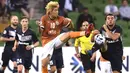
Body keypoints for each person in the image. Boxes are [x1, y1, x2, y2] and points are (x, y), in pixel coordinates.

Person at [36, 1, 94, 73]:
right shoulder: (44, 18)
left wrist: (70, 22)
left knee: (69, 34)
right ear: (50, 11)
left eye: (57, 10)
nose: (57, 12)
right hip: (47, 43)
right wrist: (40, 26)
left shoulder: (60, 18)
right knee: (44, 65)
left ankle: (86, 32)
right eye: (55, 10)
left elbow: (71, 29)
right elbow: (40, 32)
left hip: (57, 40)